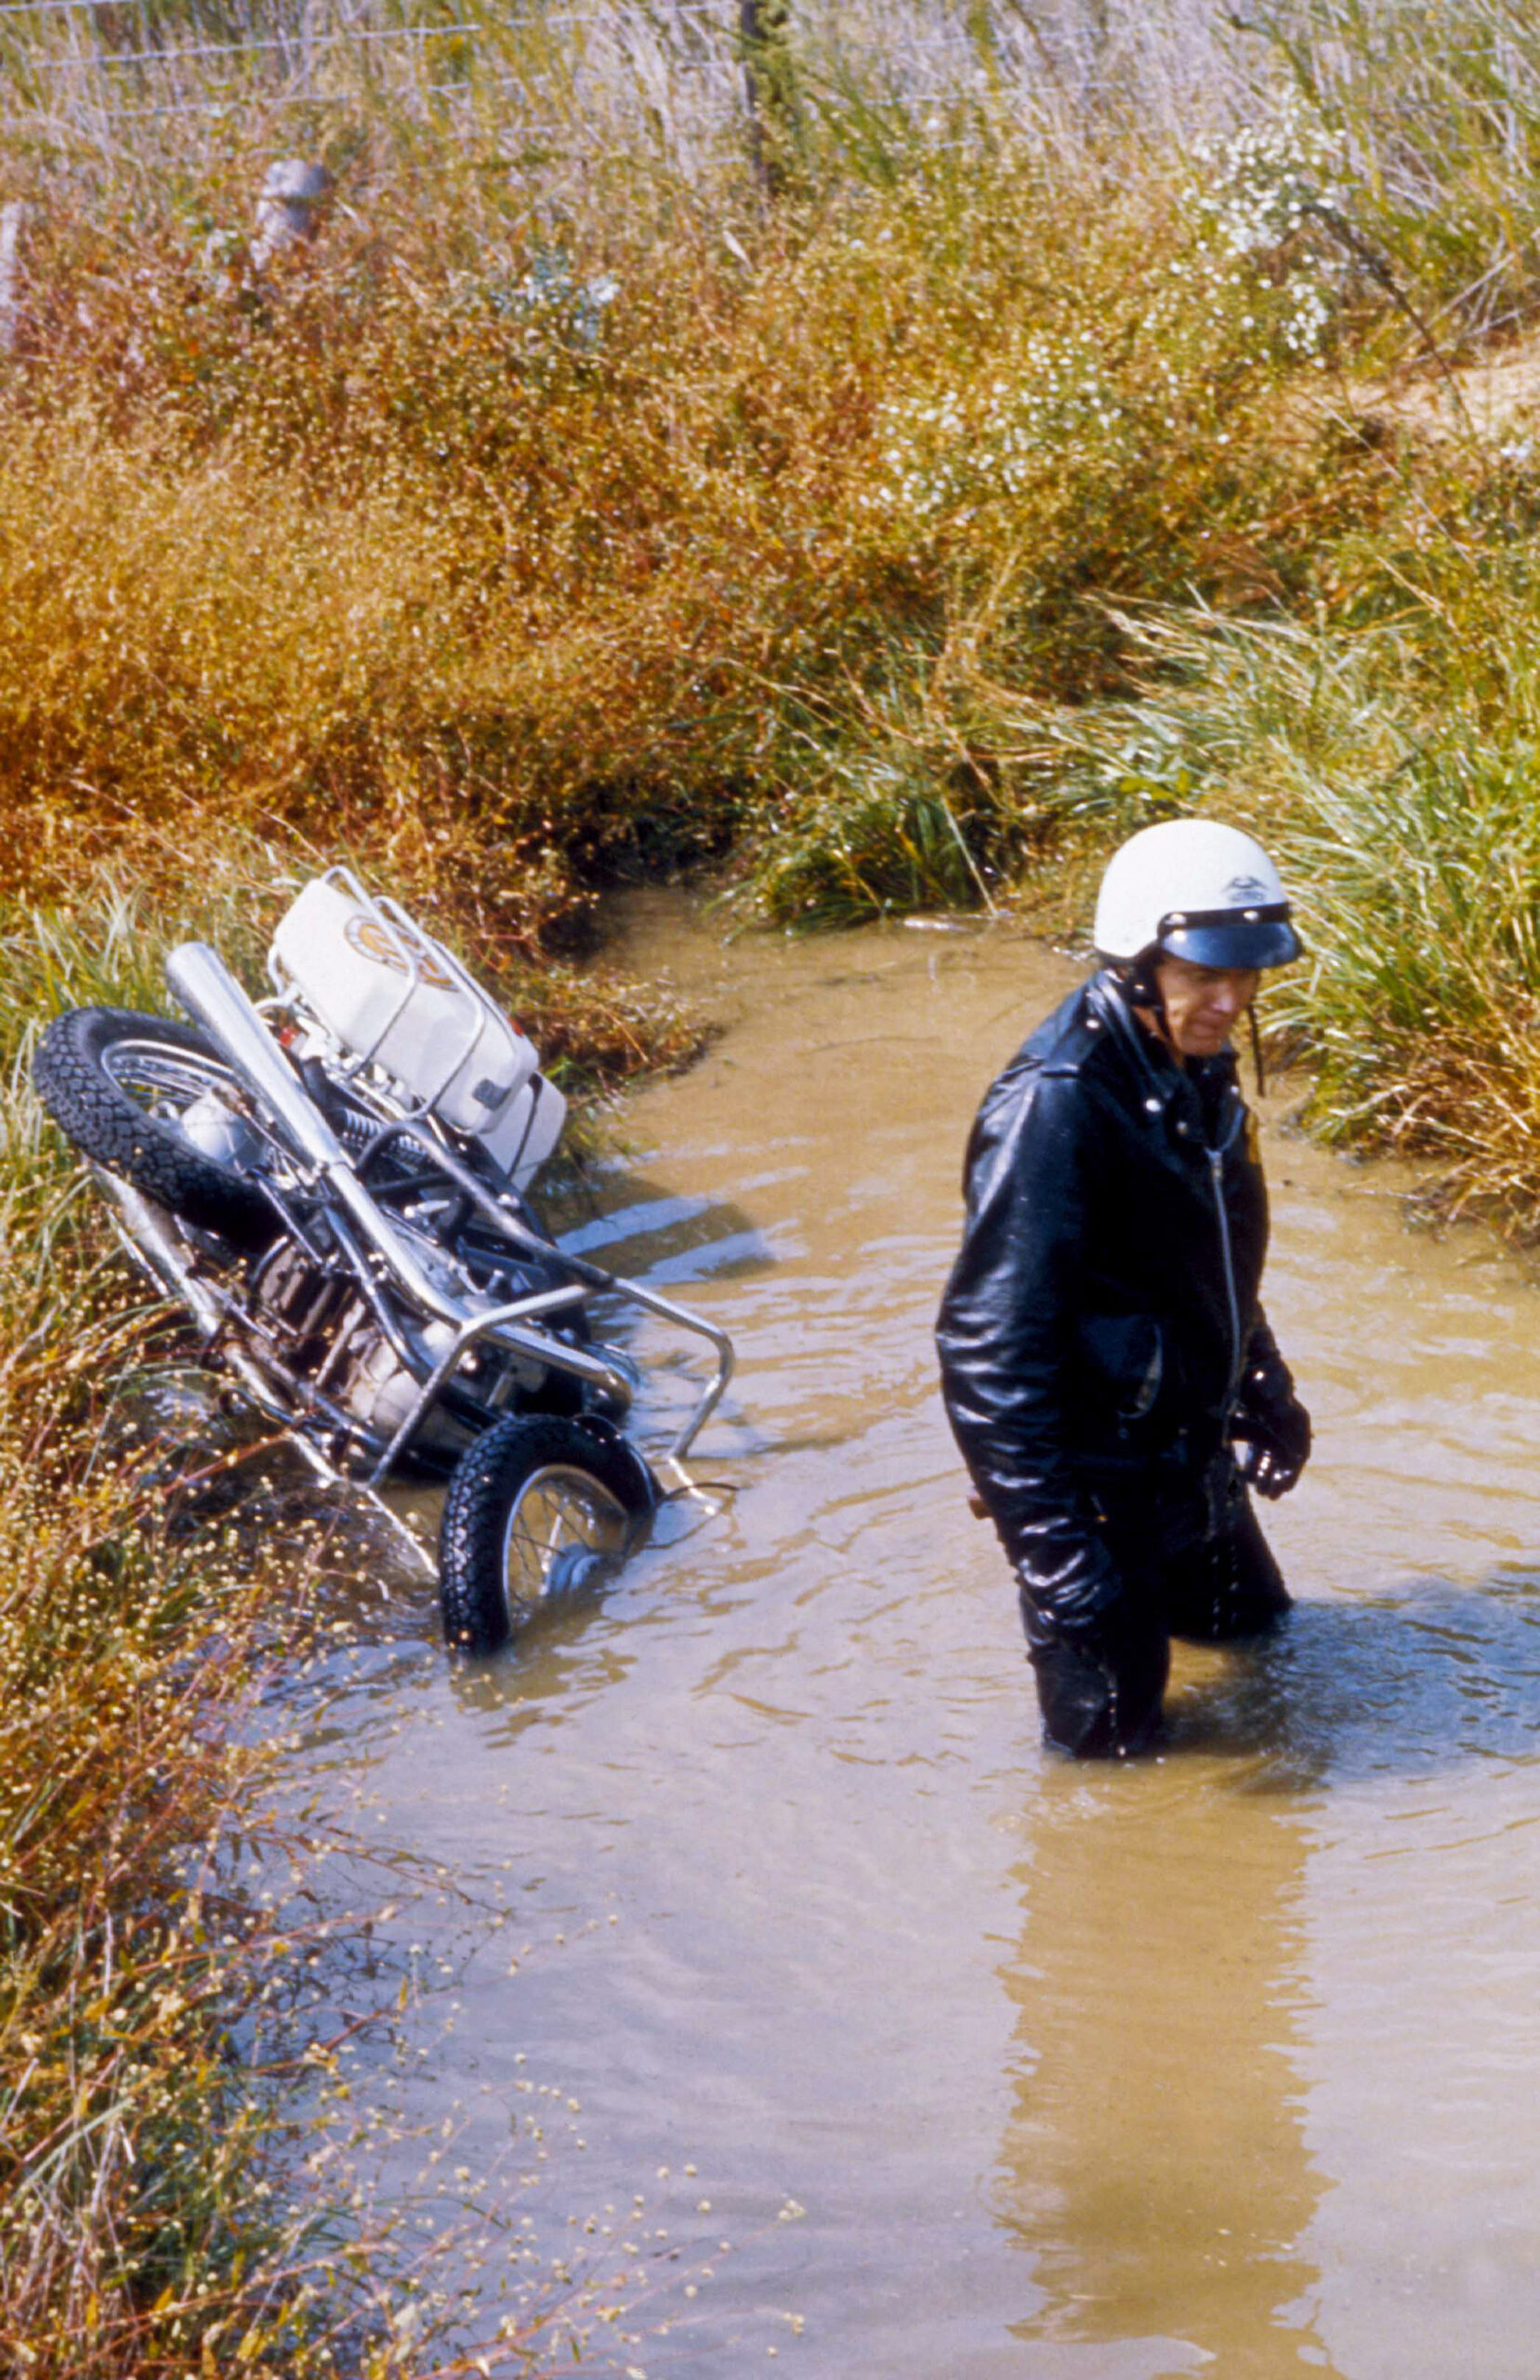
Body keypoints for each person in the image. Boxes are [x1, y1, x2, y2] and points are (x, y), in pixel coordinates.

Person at [935, 818, 1311, 1757]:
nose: (1231, 1000)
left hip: (1190, 1454)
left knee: (1268, 1644)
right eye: (1203, 977)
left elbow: (1210, 1251)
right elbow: (984, 1348)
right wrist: (1057, 1558)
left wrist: (1263, 1382)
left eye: (1245, 974)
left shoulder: (1194, 1064)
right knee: (1114, 1770)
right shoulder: (1055, 1102)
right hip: (1094, 1495)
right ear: (1139, 964)